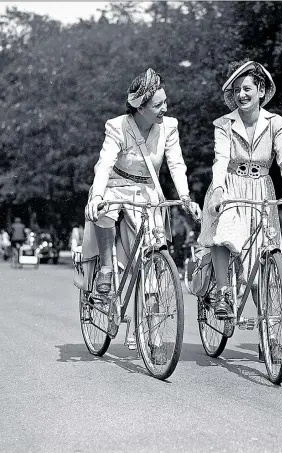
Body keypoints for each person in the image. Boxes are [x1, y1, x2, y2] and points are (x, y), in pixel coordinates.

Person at [83, 68, 201, 362]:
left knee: (152, 259)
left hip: (147, 191)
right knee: (104, 208)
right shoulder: (117, 126)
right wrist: (97, 195)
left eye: (165, 102)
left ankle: (153, 335)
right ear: (140, 106)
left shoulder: (169, 127)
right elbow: (105, 163)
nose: (165, 108)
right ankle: (108, 268)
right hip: (115, 185)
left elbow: (176, 165)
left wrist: (185, 196)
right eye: (159, 104)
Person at [198, 60, 282, 320]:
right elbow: (220, 159)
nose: (241, 95)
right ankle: (222, 292)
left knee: (263, 254)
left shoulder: (275, 123)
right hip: (230, 185)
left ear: (260, 90)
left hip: (261, 190)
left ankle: (268, 328)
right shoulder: (224, 124)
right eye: (236, 90)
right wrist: (219, 190)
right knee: (223, 232)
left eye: (246, 89)